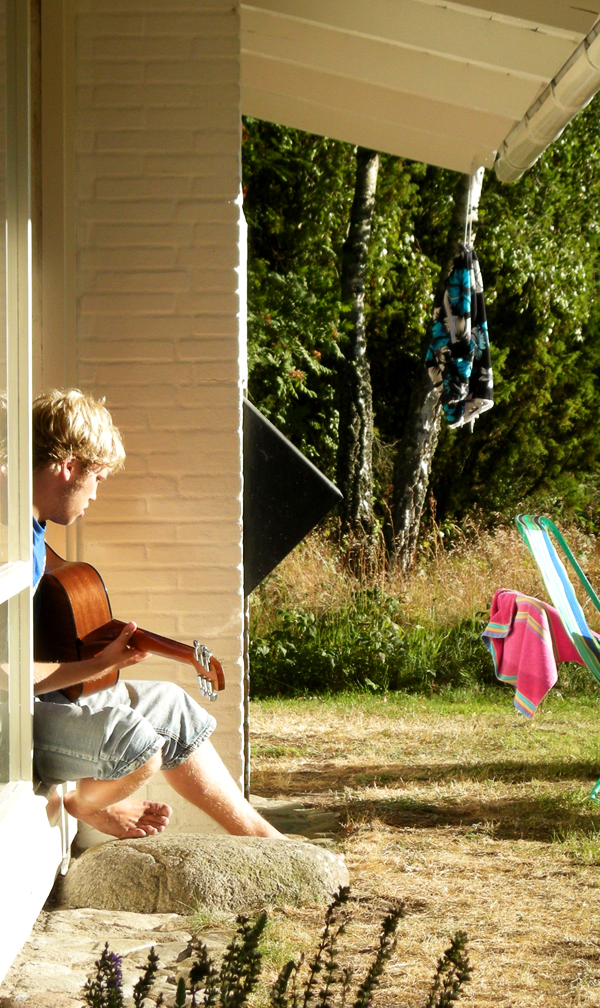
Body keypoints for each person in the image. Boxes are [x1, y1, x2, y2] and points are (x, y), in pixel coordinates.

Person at [32, 389, 285, 841]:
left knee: (171, 706)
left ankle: (261, 837)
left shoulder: (29, 531)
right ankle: (86, 806)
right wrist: (97, 665)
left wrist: (100, 662)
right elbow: (6, 675)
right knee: (142, 746)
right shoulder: (5, 541)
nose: (95, 494)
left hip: (35, 700)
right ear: (69, 466)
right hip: (11, 718)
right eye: (99, 478)